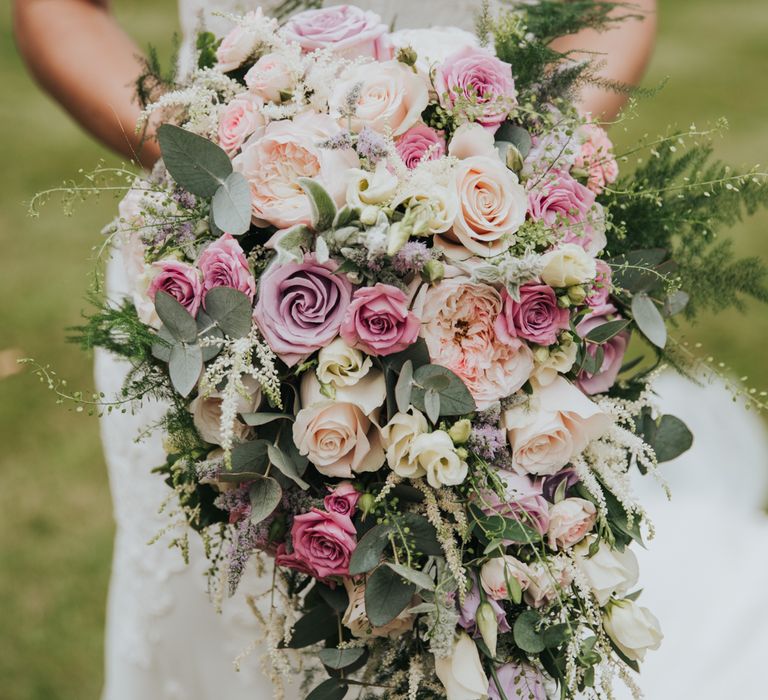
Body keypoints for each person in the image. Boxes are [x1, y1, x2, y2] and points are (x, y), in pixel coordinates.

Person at [12, 1, 768, 698]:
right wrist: (219, 158)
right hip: (222, 280)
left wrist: (507, 171)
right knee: (218, 620)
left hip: (487, 258)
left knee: (481, 611)